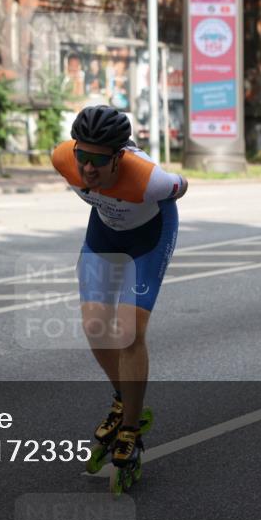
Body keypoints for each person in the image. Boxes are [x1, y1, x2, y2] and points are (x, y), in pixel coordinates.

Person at [50, 105, 187, 475]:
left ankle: (130, 428)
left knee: (128, 334)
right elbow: (78, 162)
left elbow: (183, 186)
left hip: (149, 239)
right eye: (83, 156)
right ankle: (124, 400)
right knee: (95, 327)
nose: (88, 168)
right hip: (104, 234)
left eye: (99, 159)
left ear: (120, 157)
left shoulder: (150, 180)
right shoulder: (63, 158)